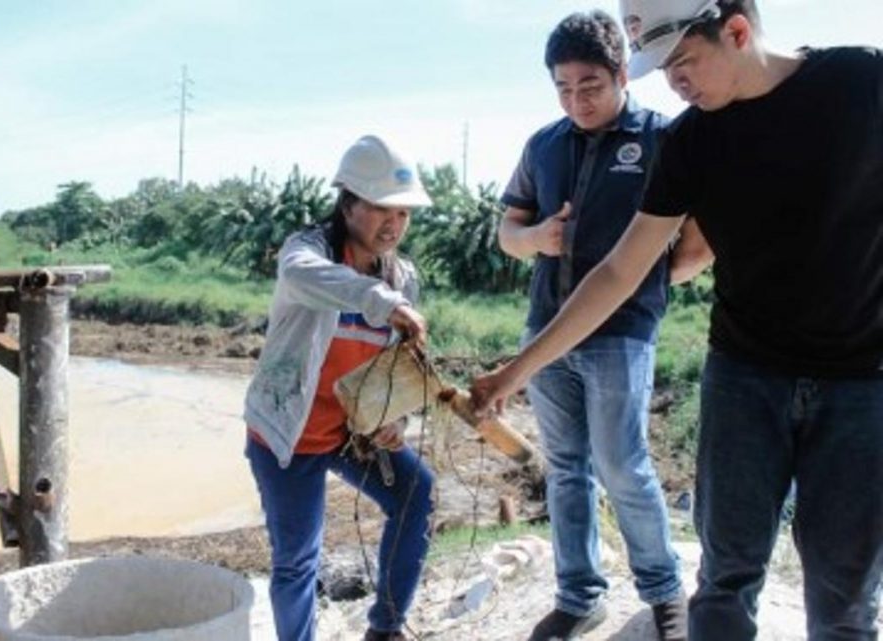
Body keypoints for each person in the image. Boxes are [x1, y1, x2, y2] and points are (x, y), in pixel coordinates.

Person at [472, 1, 883, 639]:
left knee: (845, 598)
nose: (674, 82)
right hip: (745, 379)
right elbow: (617, 271)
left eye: (684, 62)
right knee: (724, 581)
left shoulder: (860, 84)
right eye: (663, 69)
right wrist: (514, 372)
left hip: (863, 385)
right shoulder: (691, 141)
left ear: (738, 31)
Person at [495, 10, 711, 641]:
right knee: (565, 468)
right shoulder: (542, 145)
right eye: (563, 88)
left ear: (623, 73)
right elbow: (508, 233)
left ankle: (665, 592)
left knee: (623, 465)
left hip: (622, 336)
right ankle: (579, 595)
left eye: (589, 85)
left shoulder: (663, 140)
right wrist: (535, 237)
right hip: (545, 335)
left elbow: (699, 244)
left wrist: (640, 282)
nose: (576, 100)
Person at [243, 134, 435, 641]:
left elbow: (391, 366)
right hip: (291, 433)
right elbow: (302, 275)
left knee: (417, 492)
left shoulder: (402, 276)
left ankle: (386, 627)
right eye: (380, 209)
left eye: (404, 214)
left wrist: (393, 419)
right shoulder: (308, 252)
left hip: (353, 431)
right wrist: (380, 300)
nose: (393, 225)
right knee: (297, 561)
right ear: (348, 203)